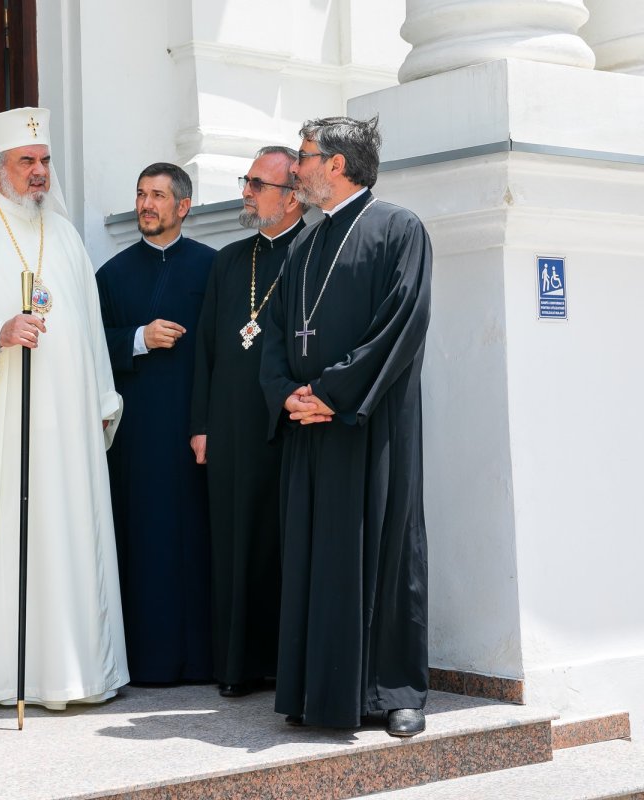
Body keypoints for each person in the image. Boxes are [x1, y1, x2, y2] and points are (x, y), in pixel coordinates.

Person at [0, 107, 130, 709]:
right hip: (1, 428)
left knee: (67, 537)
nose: (39, 173)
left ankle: (71, 671)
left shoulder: (63, 234)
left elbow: (88, 328)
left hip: (66, 430)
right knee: (6, 543)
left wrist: (103, 396)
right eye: (26, 162)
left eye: (44, 161)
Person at [258, 116, 432, 737]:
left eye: (304, 158)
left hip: (368, 422)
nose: (295, 169)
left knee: (382, 547)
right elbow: (277, 336)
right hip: (309, 427)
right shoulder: (303, 244)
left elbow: (402, 322)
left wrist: (332, 393)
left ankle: (395, 691)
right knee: (314, 556)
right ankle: (315, 690)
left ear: (336, 164)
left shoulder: (398, 229)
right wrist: (288, 397)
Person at [190, 147, 307, 698]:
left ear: (291, 196)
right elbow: (207, 351)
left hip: (287, 426)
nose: (246, 192)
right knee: (236, 544)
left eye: (257, 184)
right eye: (247, 181)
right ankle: (237, 666)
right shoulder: (231, 260)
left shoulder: (313, 252)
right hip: (232, 428)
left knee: (283, 545)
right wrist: (201, 425)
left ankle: (287, 666)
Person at [95, 162, 214, 685]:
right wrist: (139, 337)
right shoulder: (112, 275)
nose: (146, 204)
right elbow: (90, 347)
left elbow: (224, 354)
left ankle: (205, 660)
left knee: (197, 544)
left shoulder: (214, 268)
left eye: (158, 196)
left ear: (182, 207)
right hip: (137, 438)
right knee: (143, 544)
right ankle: (145, 662)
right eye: (141, 194)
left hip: (194, 432)